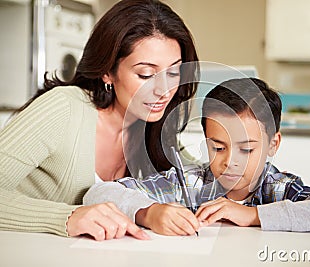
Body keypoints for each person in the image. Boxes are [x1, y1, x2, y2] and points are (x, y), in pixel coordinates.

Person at [0, 0, 199, 240]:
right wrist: (67, 217)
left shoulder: (152, 127)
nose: (165, 90)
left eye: (173, 73)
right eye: (145, 75)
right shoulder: (64, 108)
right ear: (108, 72)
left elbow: (193, 180)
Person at [84, 77, 310, 235]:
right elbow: (98, 194)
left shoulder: (277, 188)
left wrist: (254, 215)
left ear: (273, 144)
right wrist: (148, 212)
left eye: (247, 149)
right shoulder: (189, 183)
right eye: (218, 147)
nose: (231, 161)